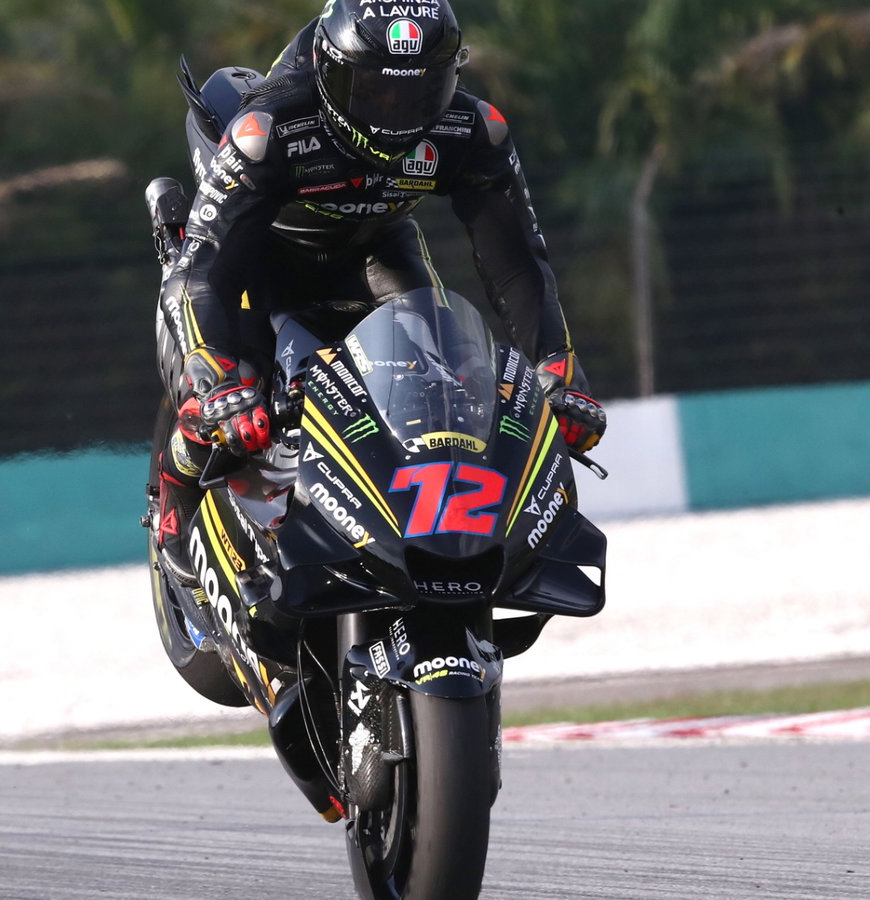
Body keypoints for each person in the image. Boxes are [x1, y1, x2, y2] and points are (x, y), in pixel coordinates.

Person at [153, 0, 606, 577]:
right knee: (233, 395)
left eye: (421, 93)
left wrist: (557, 368)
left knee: (450, 377)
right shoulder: (268, 129)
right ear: (328, 69)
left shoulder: (475, 131)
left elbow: (517, 261)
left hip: (376, 247)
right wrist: (215, 378)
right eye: (373, 92)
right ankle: (176, 490)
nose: (396, 115)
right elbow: (203, 268)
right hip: (257, 258)